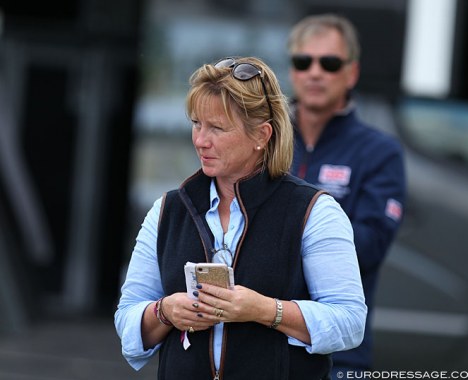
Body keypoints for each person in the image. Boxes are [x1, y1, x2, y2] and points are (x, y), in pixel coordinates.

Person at [114, 56, 367, 380]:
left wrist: (263, 310)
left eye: (217, 128)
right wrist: (165, 311)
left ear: (262, 135)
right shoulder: (167, 210)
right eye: (196, 123)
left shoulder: (315, 211)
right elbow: (127, 321)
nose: (200, 140)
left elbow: (349, 323)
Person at [287, 14, 407, 377]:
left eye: (330, 62)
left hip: (339, 355)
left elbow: (367, 248)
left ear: (351, 74)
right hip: (261, 348)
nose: (315, 72)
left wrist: (280, 240)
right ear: (292, 70)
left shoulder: (380, 152)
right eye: (303, 61)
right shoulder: (263, 142)